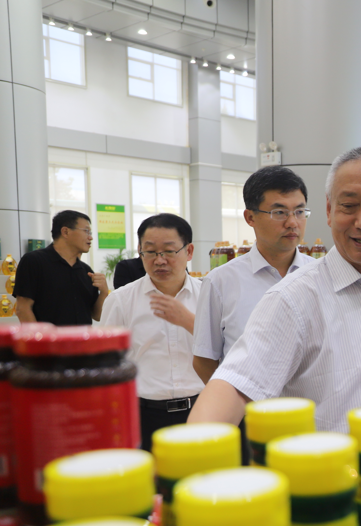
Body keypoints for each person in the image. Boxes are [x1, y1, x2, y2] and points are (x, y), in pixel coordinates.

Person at [188, 146, 361, 504]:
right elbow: (233, 387)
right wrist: (188, 466)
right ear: (328, 210)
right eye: (348, 205)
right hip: (331, 501)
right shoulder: (292, 300)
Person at [191, 165, 316, 384]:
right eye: (279, 212)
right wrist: (236, 401)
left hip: (311, 404)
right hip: (250, 405)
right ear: (250, 217)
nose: (292, 223)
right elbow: (204, 360)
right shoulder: (221, 281)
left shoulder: (319, 274)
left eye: (299, 211)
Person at [100, 214, 203, 450]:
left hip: (202, 410)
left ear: (189, 251)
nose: (159, 260)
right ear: (140, 252)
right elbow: (107, 364)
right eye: (150, 252)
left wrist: (188, 321)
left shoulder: (209, 295)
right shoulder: (121, 300)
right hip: (144, 415)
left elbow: (229, 351)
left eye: (168, 251)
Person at [13, 210, 109, 325]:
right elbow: (23, 309)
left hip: (83, 337)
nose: (91, 237)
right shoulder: (34, 261)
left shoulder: (86, 271)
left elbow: (97, 315)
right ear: (65, 232)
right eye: (86, 231)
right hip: (47, 336)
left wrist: (104, 291)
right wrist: (38, 335)